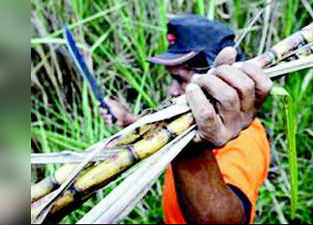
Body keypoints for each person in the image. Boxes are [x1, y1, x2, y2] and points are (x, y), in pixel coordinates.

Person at [100, 15, 273, 224]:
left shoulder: (245, 138)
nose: (172, 91)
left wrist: (191, 150)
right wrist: (127, 119)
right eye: (171, 79)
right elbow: (166, 132)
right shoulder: (188, 127)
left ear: (219, 80)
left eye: (180, 79)